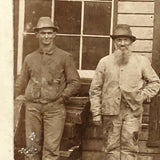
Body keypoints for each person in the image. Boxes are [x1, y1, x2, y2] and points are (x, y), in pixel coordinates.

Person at [89, 24, 160, 160]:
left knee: (130, 149)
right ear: (114, 42)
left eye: (126, 40)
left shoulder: (141, 61)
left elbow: (155, 82)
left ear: (131, 42)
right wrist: (96, 113)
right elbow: (95, 89)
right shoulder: (104, 62)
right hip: (110, 112)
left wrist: (141, 96)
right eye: (119, 40)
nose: (122, 44)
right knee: (111, 148)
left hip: (132, 112)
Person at [14, 17, 80, 160]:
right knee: (31, 148)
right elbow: (20, 83)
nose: (46, 36)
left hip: (55, 109)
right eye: (43, 33)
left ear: (54, 35)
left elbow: (74, 82)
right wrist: (9, 98)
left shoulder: (64, 57)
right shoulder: (29, 58)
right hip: (32, 108)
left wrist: (62, 98)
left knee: (51, 150)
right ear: (37, 35)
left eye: (49, 33)